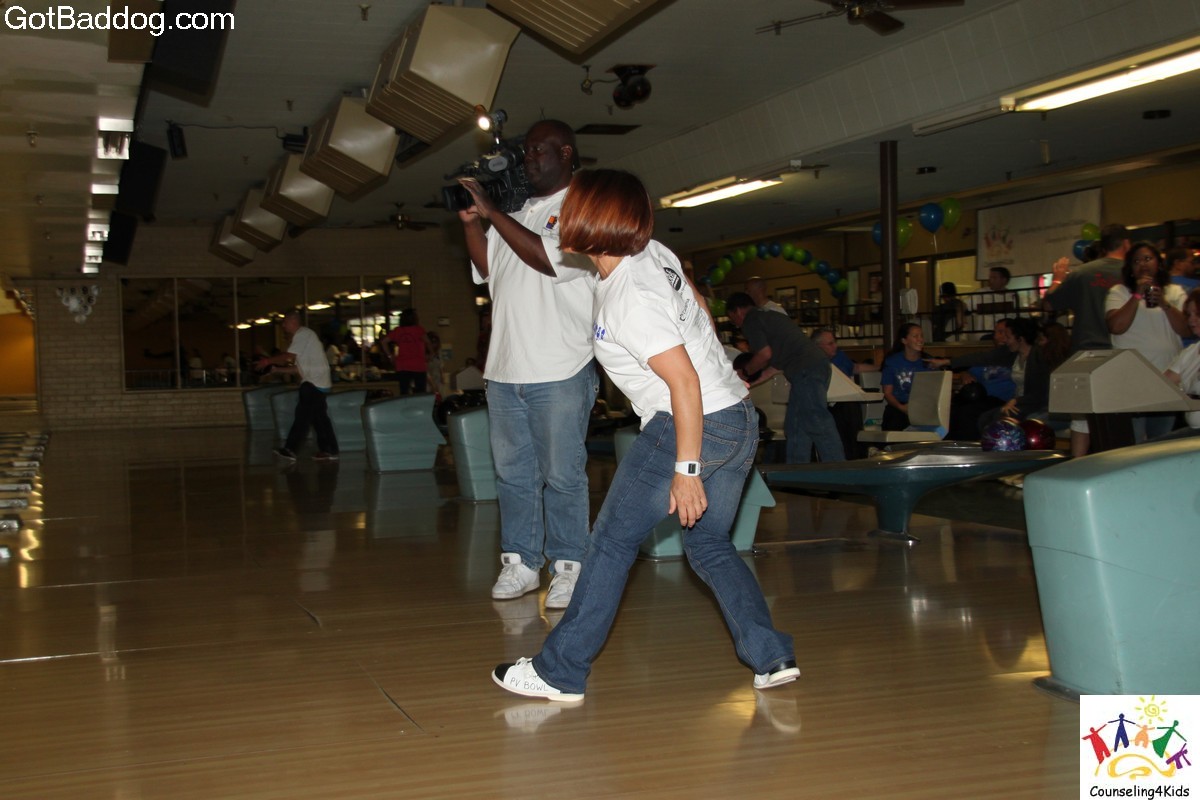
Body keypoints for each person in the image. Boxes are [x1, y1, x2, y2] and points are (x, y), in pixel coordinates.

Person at [492, 169, 798, 702]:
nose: (559, 218)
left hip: (689, 424)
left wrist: (687, 470)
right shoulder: (652, 254)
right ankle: (771, 656)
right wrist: (718, 370)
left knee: (610, 542)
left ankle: (559, 671)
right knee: (709, 544)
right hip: (736, 417)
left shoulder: (627, 297)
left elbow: (683, 382)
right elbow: (698, 308)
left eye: (570, 209)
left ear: (593, 220)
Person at [458, 119, 597, 610]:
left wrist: (493, 213)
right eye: (527, 151)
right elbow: (488, 271)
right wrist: (473, 223)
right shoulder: (515, 214)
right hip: (504, 370)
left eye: (538, 150)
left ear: (566, 152)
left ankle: (569, 567)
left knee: (563, 475)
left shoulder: (583, 209)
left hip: (560, 367)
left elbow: (546, 258)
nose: (528, 159)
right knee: (512, 475)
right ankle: (520, 562)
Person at [726, 293, 845, 464]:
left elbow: (764, 355)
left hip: (806, 370)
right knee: (796, 425)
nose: (736, 324)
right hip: (813, 367)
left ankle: (838, 468)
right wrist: (745, 383)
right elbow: (773, 368)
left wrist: (744, 372)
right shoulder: (770, 318)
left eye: (732, 319)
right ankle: (797, 471)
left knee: (816, 419)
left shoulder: (751, 320)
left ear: (737, 311)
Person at [1043, 224, 1130, 456]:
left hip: (1086, 353)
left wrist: (1058, 278)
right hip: (1123, 353)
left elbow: (1049, 303)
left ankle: (1077, 465)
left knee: (1081, 416)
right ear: (1126, 244)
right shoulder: (1132, 273)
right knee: (1122, 416)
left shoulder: (1082, 273)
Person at [1105, 241, 1188, 440]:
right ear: (1130, 269)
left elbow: (1186, 330)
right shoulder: (1119, 292)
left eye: (1148, 258)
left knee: (1161, 442)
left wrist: (1164, 304)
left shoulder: (1175, 292)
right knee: (1133, 443)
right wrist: (1136, 295)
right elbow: (1116, 326)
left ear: (1158, 263)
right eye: (1136, 261)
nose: (1142, 264)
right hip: (1131, 382)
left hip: (1167, 381)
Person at [255, 311, 339, 462]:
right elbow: (298, 369)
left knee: (302, 415)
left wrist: (267, 361)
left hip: (313, 382)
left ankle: (290, 449)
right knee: (319, 419)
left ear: (293, 322)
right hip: (317, 382)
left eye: (285, 322)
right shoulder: (304, 339)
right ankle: (329, 450)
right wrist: (276, 369)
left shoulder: (303, 334)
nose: (283, 325)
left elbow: (288, 356)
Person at [813, 328, 878, 458]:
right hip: (823, 404)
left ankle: (857, 453)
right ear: (818, 347)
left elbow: (855, 368)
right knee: (847, 407)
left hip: (843, 401)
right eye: (830, 344)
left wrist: (881, 368)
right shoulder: (811, 361)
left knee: (850, 404)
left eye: (834, 342)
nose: (835, 346)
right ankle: (853, 453)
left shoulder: (839, 356)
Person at [880, 323, 932, 430]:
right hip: (899, 406)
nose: (920, 339)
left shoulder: (928, 362)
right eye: (915, 336)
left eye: (921, 336)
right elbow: (888, 393)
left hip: (923, 406)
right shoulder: (892, 362)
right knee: (893, 418)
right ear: (904, 340)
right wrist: (902, 407)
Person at [1164, 288, 1200, 430]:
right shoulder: (1190, 353)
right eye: (1189, 314)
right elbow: (1162, 385)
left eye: (1198, 314)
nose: (1191, 320)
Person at [384, 308, 432, 395]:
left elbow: (384, 342)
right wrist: (431, 354)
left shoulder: (398, 330)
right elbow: (428, 342)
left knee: (404, 392)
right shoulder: (419, 330)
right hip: (418, 365)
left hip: (403, 365)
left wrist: (390, 356)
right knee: (420, 392)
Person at [966, 267, 1020, 339]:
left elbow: (1019, 314)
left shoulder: (1012, 295)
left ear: (1004, 280)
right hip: (985, 334)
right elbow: (965, 305)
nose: (990, 280)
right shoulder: (981, 293)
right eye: (990, 277)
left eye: (994, 278)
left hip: (1006, 335)